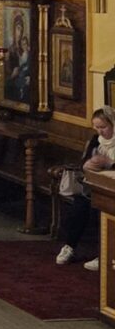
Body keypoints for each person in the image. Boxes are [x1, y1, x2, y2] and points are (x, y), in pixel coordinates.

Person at [56, 108, 115, 270]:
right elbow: (85, 162)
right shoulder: (96, 140)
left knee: (102, 209)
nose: (100, 131)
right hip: (95, 186)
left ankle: (104, 254)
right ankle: (70, 246)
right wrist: (87, 165)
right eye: (96, 127)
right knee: (79, 206)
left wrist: (108, 163)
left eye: (103, 127)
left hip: (111, 189)